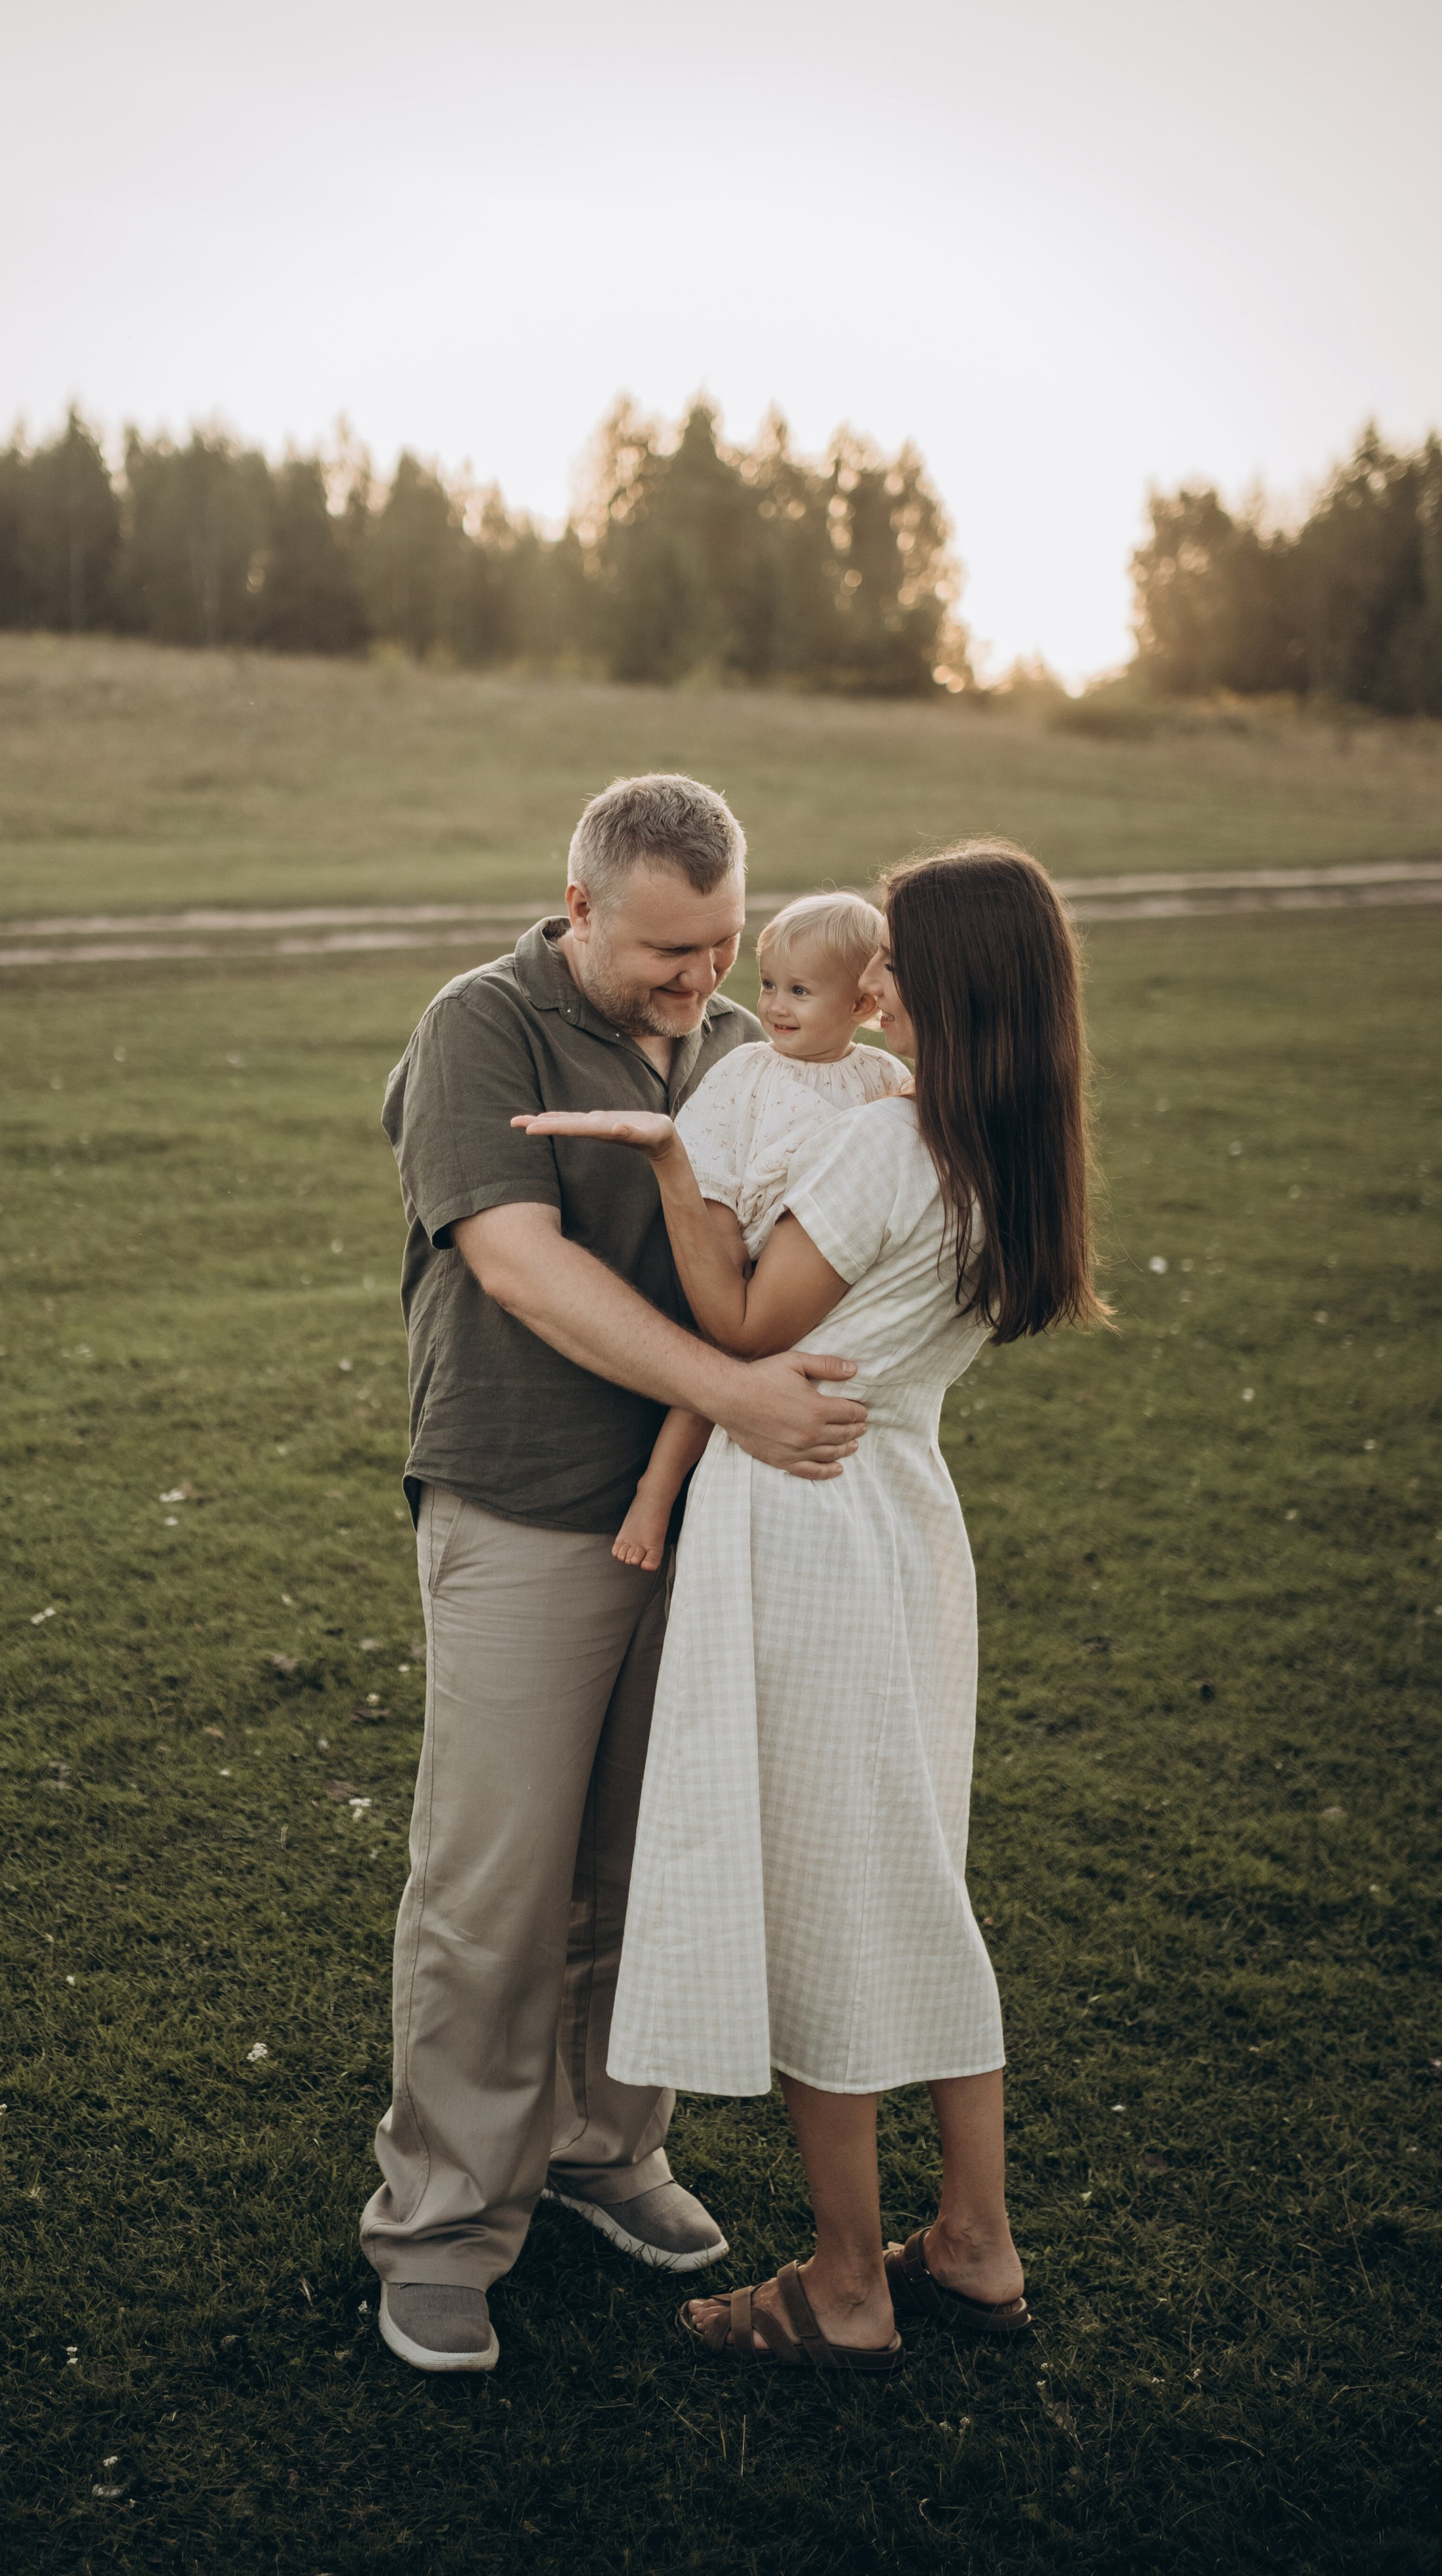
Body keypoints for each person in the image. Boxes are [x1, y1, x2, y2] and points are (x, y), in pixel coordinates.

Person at [518, 841, 1104, 2373]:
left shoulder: (884, 1150)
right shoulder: (1012, 1154)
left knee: (818, 1900)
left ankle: (849, 2277)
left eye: (900, 956)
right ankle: (971, 2240)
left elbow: (734, 1323)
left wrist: (665, 1161)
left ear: (950, 984)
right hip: (904, 1516)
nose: (874, 978)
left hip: (800, 1526)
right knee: (908, 1879)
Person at [362, 773, 871, 2374]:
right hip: (524, 1504)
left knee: (649, 1857)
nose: (700, 980)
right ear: (574, 908)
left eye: (721, 944)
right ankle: (443, 2222)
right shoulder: (481, 1025)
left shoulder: (743, 1041)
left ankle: (601, 2143)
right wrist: (731, 1395)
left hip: (707, 1518)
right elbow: (516, 1260)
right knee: (494, 1884)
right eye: (664, 950)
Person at [609, 890, 908, 1574]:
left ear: (861, 1006)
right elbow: (706, 1161)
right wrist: (724, 1257)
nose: (773, 1005)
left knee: (802, 1382)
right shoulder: (749, 1069)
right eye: (769, 984)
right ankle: (654, 1496)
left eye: (800, 991)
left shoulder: (882, 1076)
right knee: (724, 1367)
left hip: (829, 1262)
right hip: (745, 1250)